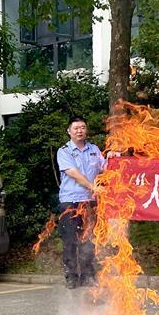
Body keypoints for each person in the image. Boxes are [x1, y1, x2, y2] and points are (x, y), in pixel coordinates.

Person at [55, 116, 104, 289]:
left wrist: (113, 156)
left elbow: (106, 168)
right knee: (70, 240)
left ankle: (88, 274)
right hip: (70, 201)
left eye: (82, 127)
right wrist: (92, 186)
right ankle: (71, 275)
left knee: (89, 239)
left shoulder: (94, 150)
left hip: (89, 202)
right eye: (76, 128)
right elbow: (72, 172)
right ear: (69, 131)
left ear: (86, 130)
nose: (79, 130)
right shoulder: (64, 151)